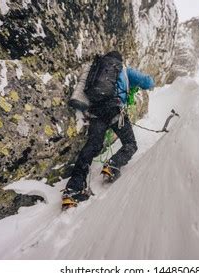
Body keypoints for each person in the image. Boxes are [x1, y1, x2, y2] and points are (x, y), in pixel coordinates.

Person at [62, 51, 154, 207]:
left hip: (96, 113)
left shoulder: (95, 68)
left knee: (92, 147)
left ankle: (72, 190)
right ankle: (112, 166)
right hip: (114, 111)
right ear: (119, 61)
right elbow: (148, 82)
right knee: (130, 143)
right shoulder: (124, 70)